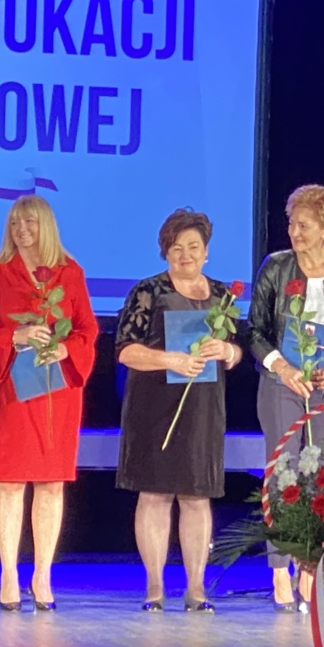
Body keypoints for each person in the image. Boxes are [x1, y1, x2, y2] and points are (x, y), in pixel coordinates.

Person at [0, 195, 99, 612]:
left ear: (46, 226)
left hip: (57, 391)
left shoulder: (70, 272)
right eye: (15, 223)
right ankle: (9, 573)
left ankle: (42, 575)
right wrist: (15, 337)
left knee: (51, 482)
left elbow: (87, 329)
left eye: (29, 222)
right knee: (10, 481)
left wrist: (66, 349)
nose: (21, 230)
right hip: (12, 391)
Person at [248, 184, 324, 611]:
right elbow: (255, 331)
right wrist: (282, 367)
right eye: (291, 223)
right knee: (283, 473)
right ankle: (279, 569)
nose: (294, 232)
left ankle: (310, 566)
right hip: (282, 384)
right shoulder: (276, 267)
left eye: (303, 225)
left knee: (323, 476)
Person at [115, 209, 244, 613]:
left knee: (197, 495)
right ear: (165, 252)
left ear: (206, 252)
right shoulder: (147, 291)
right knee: (154, 494)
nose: (185, 255)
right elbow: (125, 351)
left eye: (193, 247)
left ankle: (196, 588)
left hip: (203, 408)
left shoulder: (223, 296)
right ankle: (155, 587)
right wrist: (169, 359)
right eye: (176, 248)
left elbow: (237, 351)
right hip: (154, 407)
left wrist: (228, 351)